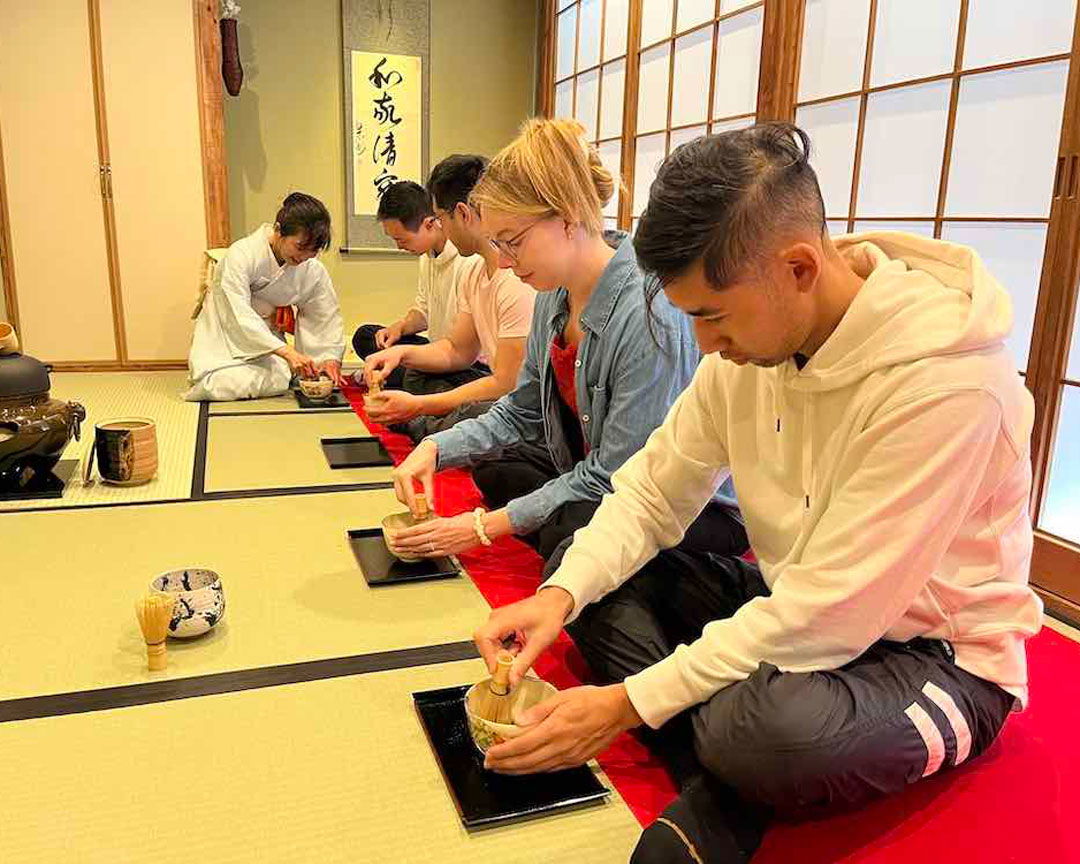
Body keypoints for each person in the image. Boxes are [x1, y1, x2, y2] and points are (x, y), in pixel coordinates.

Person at [471, 124, 1043, 864]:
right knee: (582, 553)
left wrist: (627, 702)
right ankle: (716, 751)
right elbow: (651, 490)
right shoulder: (749, 346)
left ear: (799, 267)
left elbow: (834, 609)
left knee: (765, 735)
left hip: (934, 655)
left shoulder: (946, 384)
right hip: (792, 603)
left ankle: (720, 769)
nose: (705, 345)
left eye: (711, 314)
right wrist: (559, 597)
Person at [387, 118, 744, 575]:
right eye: (496, 243)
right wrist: (436, 448)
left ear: (568, 218)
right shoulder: (553, 295)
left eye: (512, 242)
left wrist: (482, 527)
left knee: (571, 528)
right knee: (501, 474)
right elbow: (522, 409)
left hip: (682, 505)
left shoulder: (646, 311)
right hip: (591, 466)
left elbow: (621, 477)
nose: (501, 259)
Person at [363, 155, 536, 440]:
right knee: (414, 373)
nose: (441, 225)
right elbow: (457, 350)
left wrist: (419, 406)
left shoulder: (515, 278)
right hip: (493, 387)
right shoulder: (477, 272)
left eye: (441, 217)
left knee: (485, 415)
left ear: (463, 214)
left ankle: (425, 426)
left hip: (514, 401)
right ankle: (431, 424)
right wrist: (400, 353)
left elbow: (507, 384)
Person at [185, 192, 344, 401]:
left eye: (312, 252)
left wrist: (327, 358)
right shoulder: (242, 254)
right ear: (278, 230)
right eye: (300, 247)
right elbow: (237, 312)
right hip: (224, 331)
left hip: (267, 340)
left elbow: (323, 315)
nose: (304, 257)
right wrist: (287, 352)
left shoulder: (311, 269)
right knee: (218, 383)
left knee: (280, 378)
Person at [352, 180, 484, 392]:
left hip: (465, 361)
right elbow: (423, 311)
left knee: (416, 378)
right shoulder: (427, 257)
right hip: (437, 351)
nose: (399, 247)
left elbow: (463, 349)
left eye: (402, 239)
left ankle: (406, 379)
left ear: (430, 223)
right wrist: (399, 327)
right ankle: (403, 376)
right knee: (365, 336)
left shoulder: (469, 260)